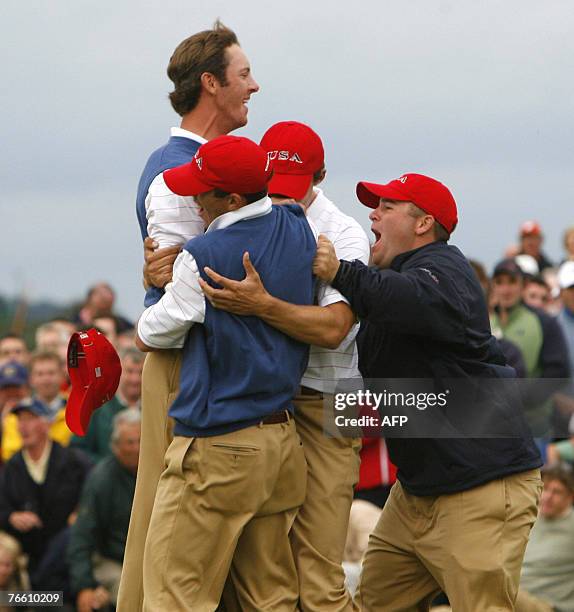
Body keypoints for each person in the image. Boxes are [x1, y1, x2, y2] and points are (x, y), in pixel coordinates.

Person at [312, 172, 543, 610]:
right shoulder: (390, 285)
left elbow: (411, 299)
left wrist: (341, 271)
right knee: (372, 604)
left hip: (481, 487)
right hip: (417, 492)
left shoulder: (445, 268)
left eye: (387, 206)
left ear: (423, 224)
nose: (372, 213)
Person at [135, 135, 314, 610]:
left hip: (218, 446)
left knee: (175, 596)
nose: (193, 198)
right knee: (270, 597)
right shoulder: (297, 224)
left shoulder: (204, 252)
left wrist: (157, 280)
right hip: (280, 441)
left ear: (232, 199)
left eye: (203, 190)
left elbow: (157, 332)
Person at [196, 120, 369, 611]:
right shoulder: (243, 213)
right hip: (260, 405)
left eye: (297, 188)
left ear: (321, 176)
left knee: (317, 578)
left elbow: (335, 329)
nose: (285, 199)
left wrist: (262, 305)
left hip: (323, 402)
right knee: (256, 577)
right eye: (273, 187)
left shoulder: (344, 235)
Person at [117, 21, 260, 611]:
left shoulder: (201, 161)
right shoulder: (178, 168)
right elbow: (178, 278)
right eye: (244, 74)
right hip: (182, 362)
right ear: (211, 83)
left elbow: (169, 269)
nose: (255, 86)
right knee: (163, 517)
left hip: (204, 363)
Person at [0, 398, 91, 592]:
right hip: (28, 547)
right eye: (20, 420)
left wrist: (81, 511)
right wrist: (11, 517)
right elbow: (2, 504)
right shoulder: (13, 466)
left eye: (30, 419)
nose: (23, 426)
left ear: (47, 423)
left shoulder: (73, 461)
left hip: (65, 546)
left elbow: (93, 489)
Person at [490, 258, 569, 454]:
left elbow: (558, 370)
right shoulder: (485, 321)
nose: (506, 290)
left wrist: (525, 397)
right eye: (500, 282)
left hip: (534, 427)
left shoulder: (543, 322)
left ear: (522, 286)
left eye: (512, 282)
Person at [68, 409, 140, 612]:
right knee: (127, 590)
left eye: (141, 440)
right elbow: (81, 536)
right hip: (113, 559)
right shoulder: (101, 480)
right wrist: (84, 586)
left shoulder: (160, 470)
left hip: (151, 557)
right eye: (130, 442)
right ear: (116, 447)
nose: (137, 448)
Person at [515, 464, 574, 612]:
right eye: (545, 489)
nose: (547, 497)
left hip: (544, 603)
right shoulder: (528, 516)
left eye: (557, 492)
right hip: (513, 592)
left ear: (570, 497)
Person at [70, 348, 143, 463]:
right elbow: (78, 448)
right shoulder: (96, 405)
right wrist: (103, 468)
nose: (135, 379)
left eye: (140, 372)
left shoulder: (154, 407)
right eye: (129, 372)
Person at [2, 351, 70, 462]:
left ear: (62, 376)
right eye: (40, 374)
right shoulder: (16, 414)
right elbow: (9, 453)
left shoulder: (78, 408)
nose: (46, 379)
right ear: (31, 379)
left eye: (51, 373)